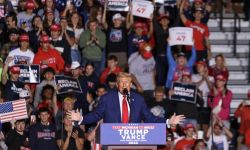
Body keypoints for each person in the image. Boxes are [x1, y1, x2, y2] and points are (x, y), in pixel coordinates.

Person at [67, 72, 185, 126]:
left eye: (127, 82)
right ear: (117, 84)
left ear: (130, 85)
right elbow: (97, 114)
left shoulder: (139, 99)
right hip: (112, 141)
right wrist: (81, 119)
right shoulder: (107, 98)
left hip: (133, 142)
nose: (124, 85)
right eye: (122, 82)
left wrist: (168, 121)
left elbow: (149, 117)